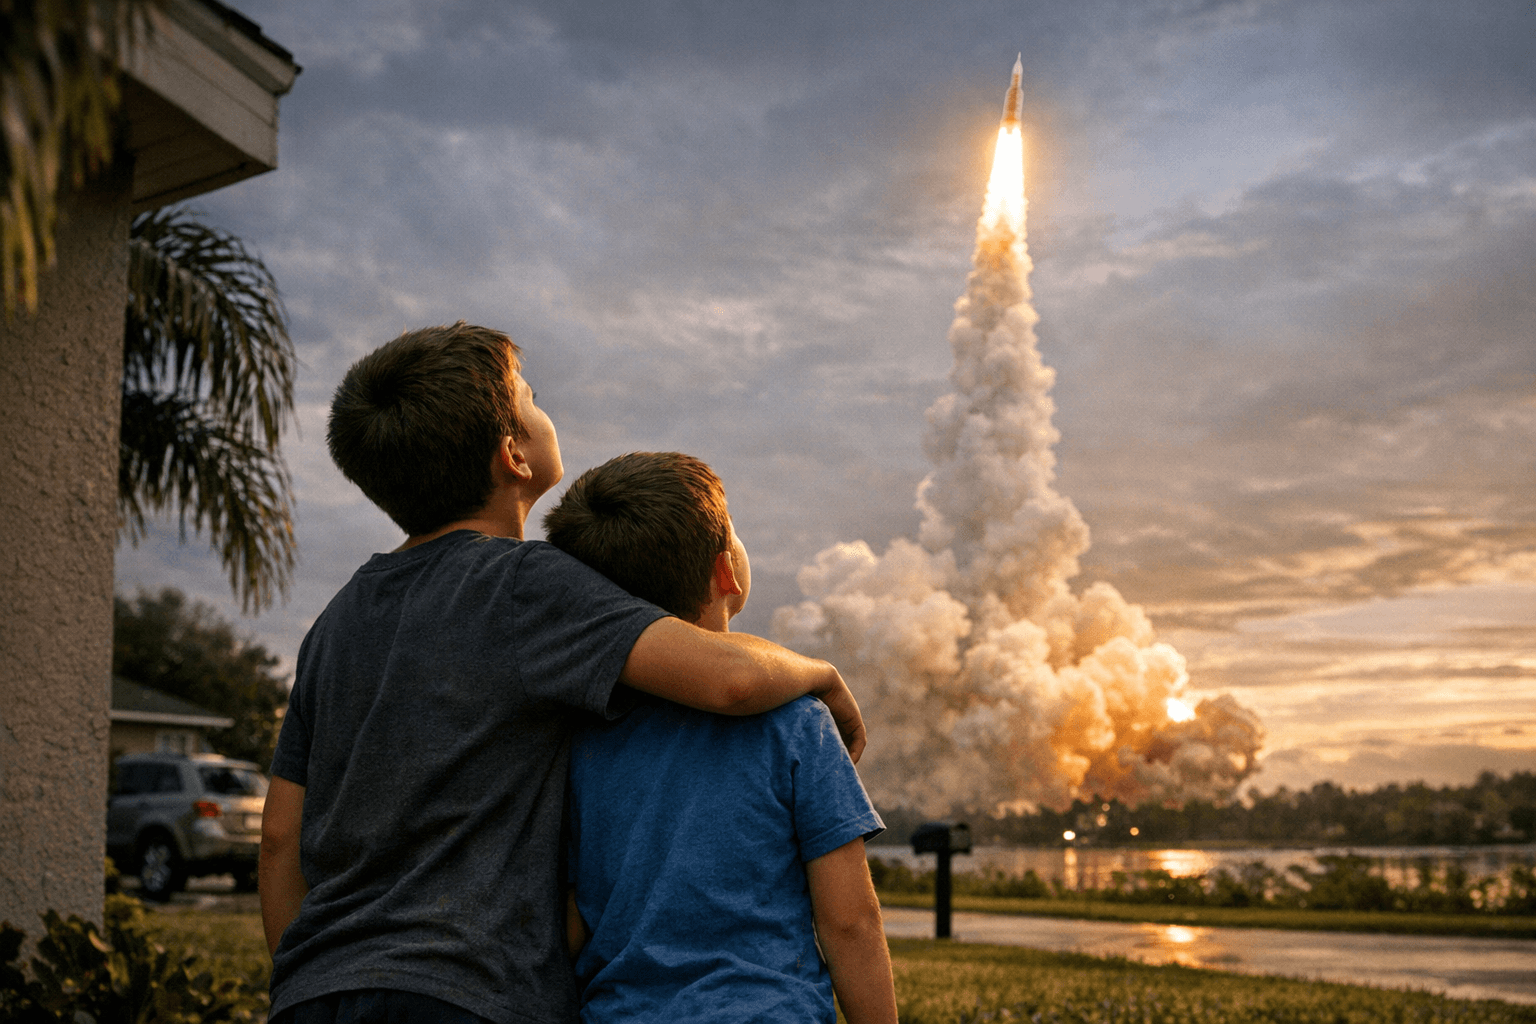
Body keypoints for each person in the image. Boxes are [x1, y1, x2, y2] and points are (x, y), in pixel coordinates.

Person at [258, 323, 865, 1024]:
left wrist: (303, 980)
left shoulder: (338, 621)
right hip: (468, 993)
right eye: (531, 398)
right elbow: (726, 677)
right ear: (514, 455)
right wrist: (821, 674)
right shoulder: (526, 585)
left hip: (315, 990)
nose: (545, 409)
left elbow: (280, 838)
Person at [545, 451, 898, 1024]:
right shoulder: (798, 723)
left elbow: (574, 925)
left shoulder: (581, 737)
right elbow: (851, 923)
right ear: (726, 573)